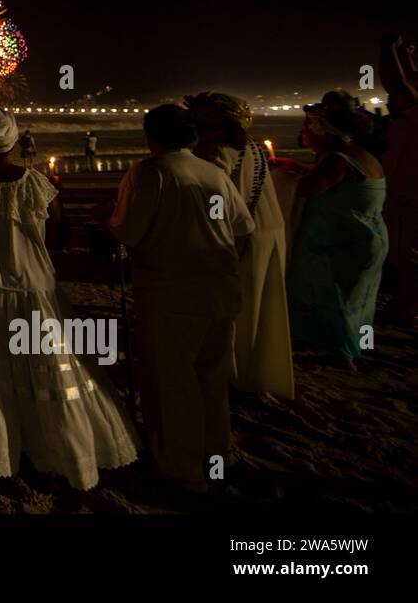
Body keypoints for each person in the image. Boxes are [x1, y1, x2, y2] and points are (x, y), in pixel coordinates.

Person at [0, 109, 138, 491]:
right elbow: (59, 236)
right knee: (44, 368)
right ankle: (54, 449)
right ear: (15, 143)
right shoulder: (37, 183)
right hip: (33, 287)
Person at [109, 105, 253, 492]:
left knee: (170, 383)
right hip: (218, 290)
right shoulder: (214, 173)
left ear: (151, 136)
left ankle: (180, 469)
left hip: (171, 294)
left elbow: (129, 232)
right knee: (212, 380)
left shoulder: (150, 173)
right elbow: (242, 226)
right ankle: (215, 459)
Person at [186, 91, 294, 399]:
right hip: (268, 228)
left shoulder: (213, 149)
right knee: (263, 305)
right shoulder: (252, 146)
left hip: (240, 234)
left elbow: (214, 198)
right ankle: (259, 372)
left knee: (234, 308)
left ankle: (232, 373)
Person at [283, 98, 388, 367]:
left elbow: (306, 190)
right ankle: (354, 348)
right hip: (368, 238)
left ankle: (342, 357)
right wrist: (301, 168)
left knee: (336, 301)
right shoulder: (361, 155)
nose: (304, 134)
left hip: (344, 244)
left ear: (323, 131)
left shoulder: (336, 161)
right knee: (356, 301)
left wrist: (283, 175)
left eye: (308, 128)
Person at [378, 34, 418, 322]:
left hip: (408, 198)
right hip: (402, 195)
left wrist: (388, 49)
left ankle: (404, 308)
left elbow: (398, 83)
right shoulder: (408, 121)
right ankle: (403, 304)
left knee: (402, 254)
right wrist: (405, 55)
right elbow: (409, 81)